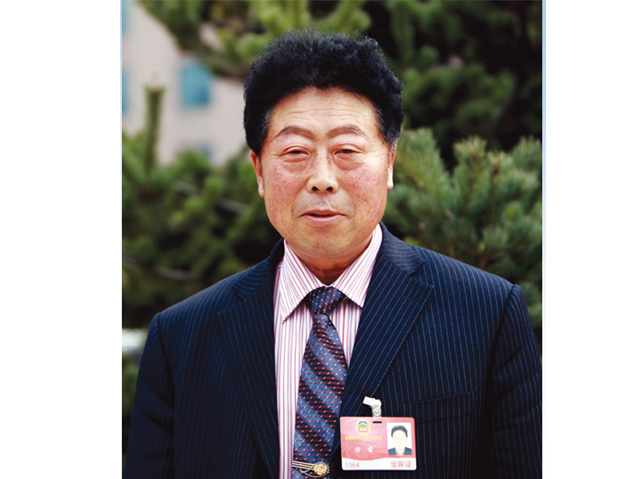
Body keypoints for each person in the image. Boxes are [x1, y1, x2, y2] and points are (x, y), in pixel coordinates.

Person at [124, 30, 542, 479]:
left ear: (389, 163)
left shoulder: (486, 316)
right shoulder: (180, 338)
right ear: (259, 170)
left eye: (346, 150)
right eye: (296, 152)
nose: (322, 178)